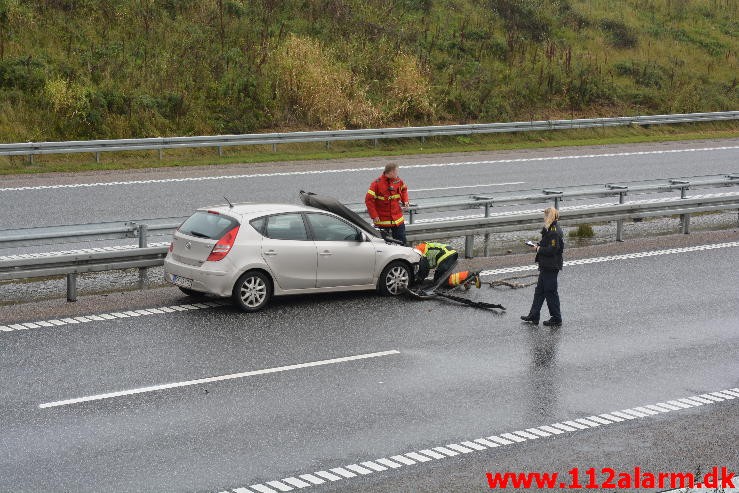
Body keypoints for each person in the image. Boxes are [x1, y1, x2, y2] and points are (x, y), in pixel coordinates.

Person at [521, 207, 564, 326]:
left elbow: (553, 249)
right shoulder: (549, 229)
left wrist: (538, 249)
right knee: (539, 291)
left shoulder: (554, 231)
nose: (544, 218)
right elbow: (548, 244)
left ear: (549, 216)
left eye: (545, 215)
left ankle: (556, 318)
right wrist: (538, 245)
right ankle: (534, 315)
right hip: (546, 265)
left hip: (551, 266)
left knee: (551, 292)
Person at [365, 162, 409, 245]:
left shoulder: (398, 181)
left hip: (397, 220)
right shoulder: (376, 184)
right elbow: (369, 200)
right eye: (396, 171)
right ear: (391, 172)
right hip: (382, 221)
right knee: (383, 246)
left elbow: (404, 190)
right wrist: (374, 215)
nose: (397, 173)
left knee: (402, 243)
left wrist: (405, 201)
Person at [414, 242, 481, 290]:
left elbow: (424, 269)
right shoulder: (419, 249)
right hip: (448, 254)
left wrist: (419, 281)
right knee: (441, 279)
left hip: (446, 255)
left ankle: (470, 276)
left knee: (439, 282)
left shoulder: (417, 252)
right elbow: (424, 267)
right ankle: (464, 280)